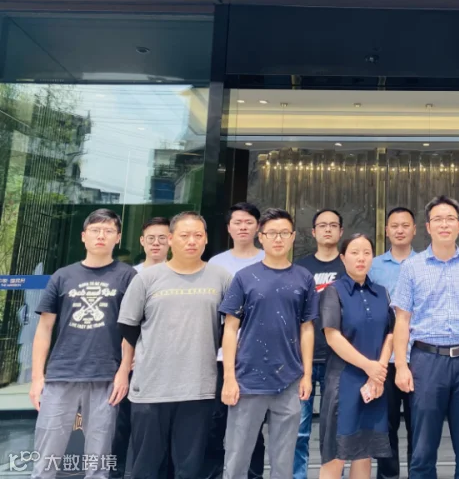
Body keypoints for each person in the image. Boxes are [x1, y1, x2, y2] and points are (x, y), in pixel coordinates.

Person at [117, 212, 233, 479]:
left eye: (198, 235)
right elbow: (128, 326)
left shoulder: (221, 277)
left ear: (206, 239)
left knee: (189, 469)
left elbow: (230, 328)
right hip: (151, 388)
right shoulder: (147, 278)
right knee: (146, 467)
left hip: (198, 389)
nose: (192, 241)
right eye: (184, 235)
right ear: (170, 239)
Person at [392, 195, 459, 479]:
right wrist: (401, 365)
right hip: (427, 362)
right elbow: (402, 320)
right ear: (428, 226)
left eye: (450, 219)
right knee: (423, 448)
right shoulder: (412, 267)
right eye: (437, 219)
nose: (444, 224)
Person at [29, 209, 136, 479]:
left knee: (98, 461)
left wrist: (124, 371)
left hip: (105, 376)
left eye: (108, 231)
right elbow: (44, 328)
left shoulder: (128, 276)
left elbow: (131, 330)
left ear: (118, 238)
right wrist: (37, 377)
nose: (101, 236)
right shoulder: (63, 276)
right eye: (95, 230)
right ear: (83, 236)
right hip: (60, 374)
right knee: (46, 457)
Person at [219, 208, 317, 479]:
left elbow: (307, 328)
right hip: (248, 379)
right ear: (260, 237)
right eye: (272, 233)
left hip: (289, 379)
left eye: (284, 233)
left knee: (283, 461)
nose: (278, 239)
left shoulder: (304, 278)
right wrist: (229, 377)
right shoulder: (245, 277)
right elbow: (230, 329)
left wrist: (307, 375)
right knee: (237, 457)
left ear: (293, 237)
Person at [319, 234, 395, 479]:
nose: (361, 258)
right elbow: (333, 336)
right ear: (343, 258)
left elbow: (391, 334)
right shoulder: (334, 291)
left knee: (365, 451)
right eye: (354, 252)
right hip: (344, 381)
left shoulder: (381, 293)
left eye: (366, 252)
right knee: (336, 453)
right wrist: (368, 366)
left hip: (374, 382)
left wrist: (378, 370)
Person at [206, 202, 266, 479]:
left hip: (259, 356)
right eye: (237, 222)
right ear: (228, 227)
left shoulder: (269, 259)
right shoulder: (216, 264)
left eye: (248, 222)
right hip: (220, 356)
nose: (243, 227)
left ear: (258, 227)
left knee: (254, 425)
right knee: (215, 421)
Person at [111, 216, 171, 479]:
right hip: (130, 365)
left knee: (160, 432)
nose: (156, 243)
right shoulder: (129, 275)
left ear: (171, 240)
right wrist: (127, 361)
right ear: (142, 241)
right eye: (151, 238)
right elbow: (125, 322)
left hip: (165, 366)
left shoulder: (180, 275)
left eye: (162, 238)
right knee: (122, 427)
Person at [294, 209, 346, 479]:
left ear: (341, 231)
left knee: (335, 428)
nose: (328, 229)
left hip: (338, 359)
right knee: (298, 429)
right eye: (322, 225)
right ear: (313, 232)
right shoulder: (300, 268)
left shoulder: (348, 266)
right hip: (302, 359)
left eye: (333, 225)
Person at [369, 207, 417, 479]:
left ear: (415, 230)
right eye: (395, 226)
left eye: (405, 225)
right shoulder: (373, 266)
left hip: (419, 356)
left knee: (418, 425)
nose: (400, 230)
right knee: (385, 426)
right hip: (383, 358)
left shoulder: (426, 263)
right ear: (386, 230)